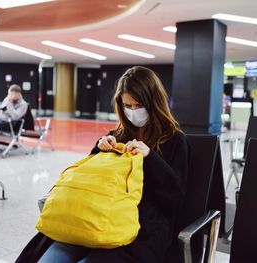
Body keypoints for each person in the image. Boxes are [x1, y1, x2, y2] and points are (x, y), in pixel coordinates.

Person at [17, 66, 189, 263]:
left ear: (153, 102)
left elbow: (175, 196)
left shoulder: (174, 140)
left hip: (141, 226)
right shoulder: (117, 135)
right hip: (92, 214)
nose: (133, 111)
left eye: (138, 105)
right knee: (48, 258)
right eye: (128, 106)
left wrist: (150, 157)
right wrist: (99, 149)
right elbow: (88, 177)